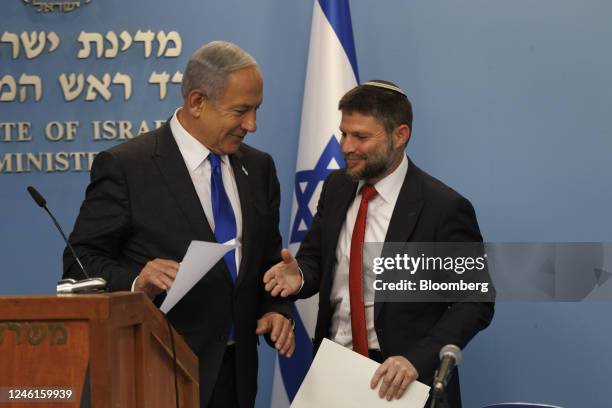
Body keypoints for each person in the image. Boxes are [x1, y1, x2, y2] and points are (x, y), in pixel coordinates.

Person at [63, 41, 294, 408]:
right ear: (197, 102)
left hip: (237, 376)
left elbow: (266, 261)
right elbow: (79, 262)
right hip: (157, 370)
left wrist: (275, 310)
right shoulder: (127, 166)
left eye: (256, 110)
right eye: (241, 111)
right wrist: (139, 281)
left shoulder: (259, 168)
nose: (252, 125)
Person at [263, 80, 494, 407]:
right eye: (344, 133)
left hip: (404, 381)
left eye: (361, 137)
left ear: (400, 135)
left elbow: (475, 302)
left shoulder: (443, 208)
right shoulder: (336, 187)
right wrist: (300, 275)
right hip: (333, 369)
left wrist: (416, 360)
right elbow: (316, 258)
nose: (346, 147)